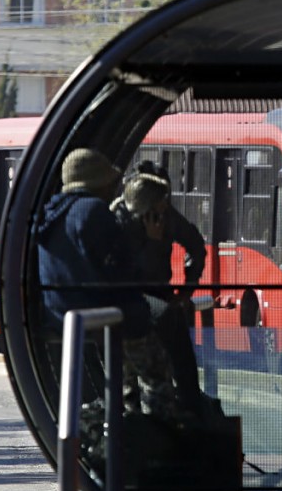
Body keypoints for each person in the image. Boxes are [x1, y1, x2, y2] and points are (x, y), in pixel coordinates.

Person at [34, 147, 175, 418]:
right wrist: (149, 242)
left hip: (61, 311)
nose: (113, 188)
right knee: (157, 362)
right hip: (103, 312)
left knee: (124, 368)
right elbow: (125, 274)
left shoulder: (53, 211)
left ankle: (128, 415)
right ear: (98, 182)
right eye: (109, 181)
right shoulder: (94, 212)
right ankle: (162, 428)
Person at [111, 165, 207, 414]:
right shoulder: (118, 220)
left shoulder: (166, 216)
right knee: (137, 366)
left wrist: (188, 289)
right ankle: (137, 413)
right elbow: (126, 270)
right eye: (161, 202)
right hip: (130, 297)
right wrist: (152, 243)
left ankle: (190, 407)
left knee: (180, 352)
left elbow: (196, 245)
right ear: (145, 206)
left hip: (161, 294)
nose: (166, 208)